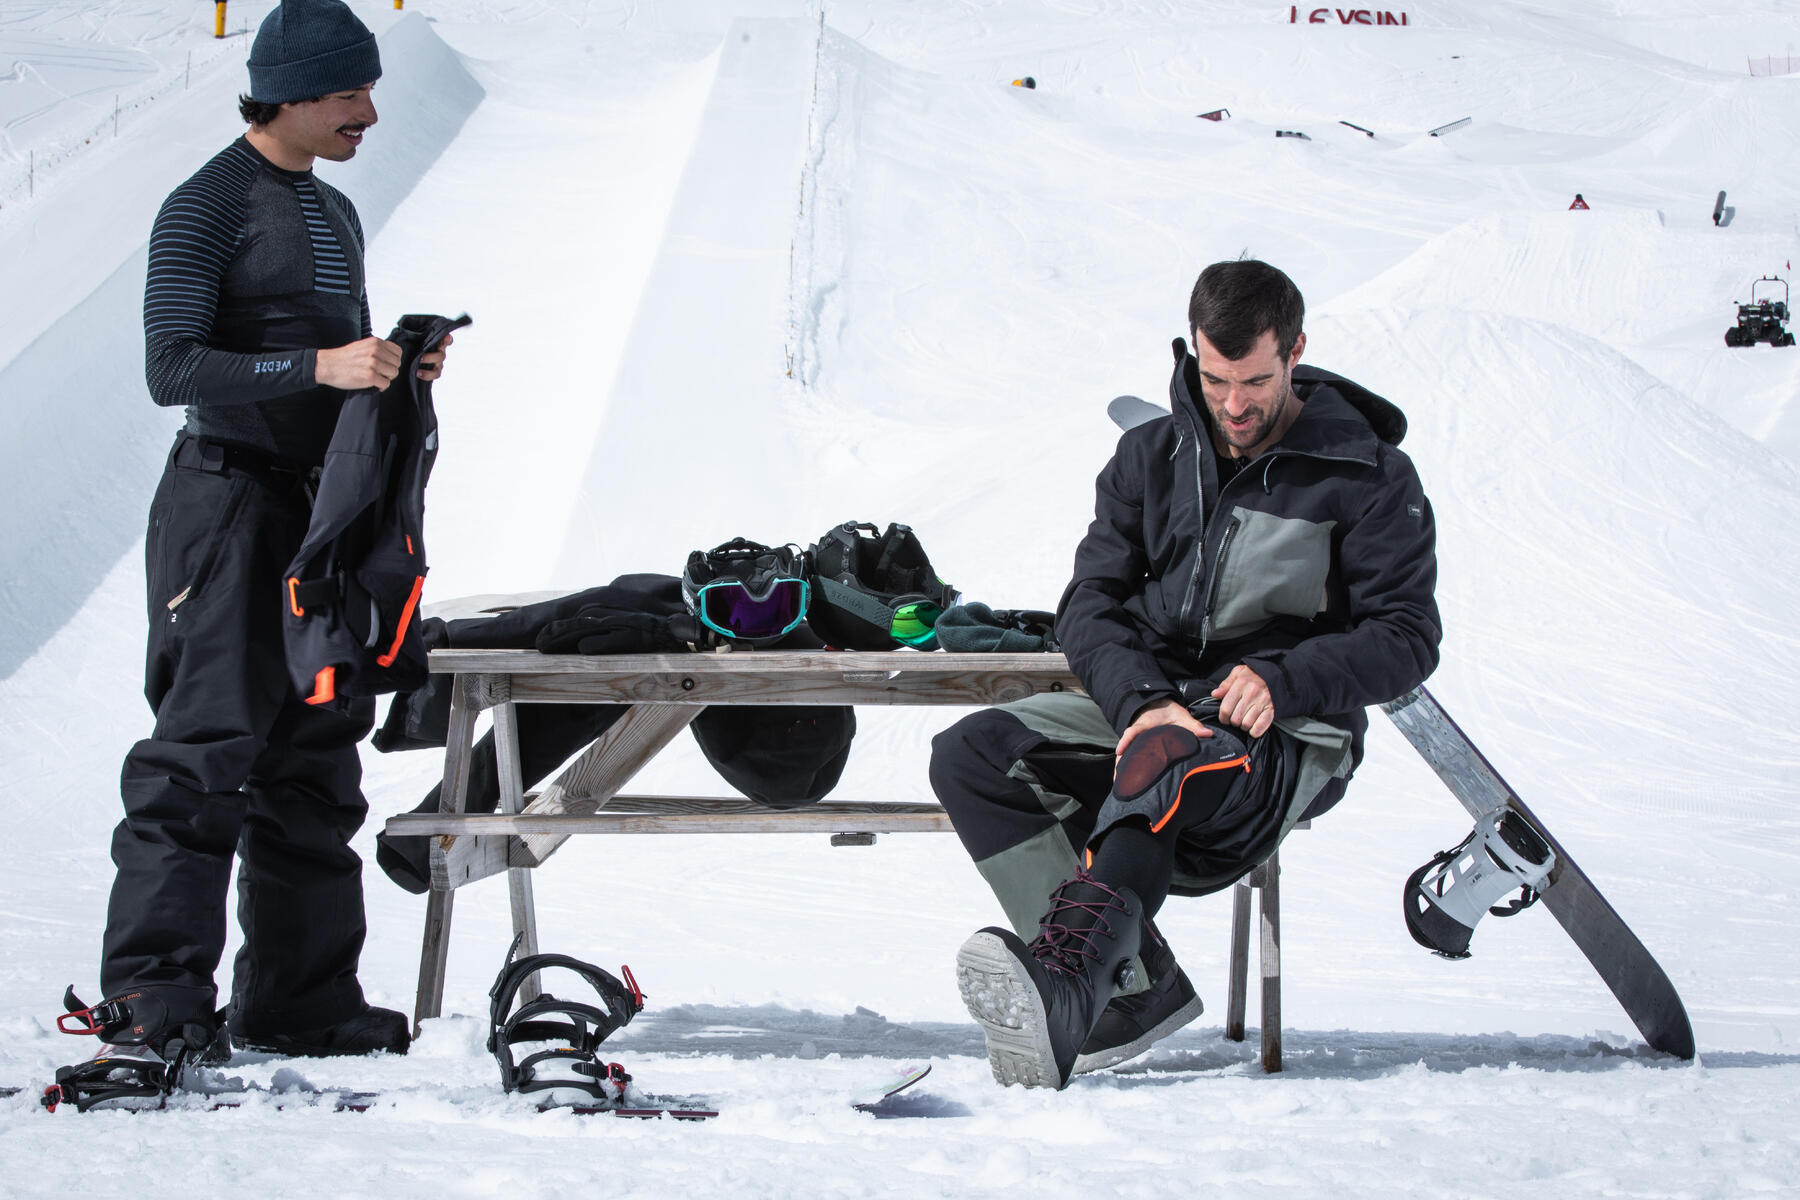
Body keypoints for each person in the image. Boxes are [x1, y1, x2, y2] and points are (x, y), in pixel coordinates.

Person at [931, 259, 1440, 1089]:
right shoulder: (1149, 457)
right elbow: (1089, 602)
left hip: (1284, 735)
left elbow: (1410, 635)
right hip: (1159, 709)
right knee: (970, 755)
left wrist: (1287, 679)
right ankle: (1131, 991)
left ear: (1297, 351)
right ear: (1191, 354)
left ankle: (1070, 996)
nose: (1235, 404)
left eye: (1256, 381)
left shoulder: (1368, 477)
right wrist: (1142, 700)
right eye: (1214, 379)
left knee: (1162, 761)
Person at [64, 0, 451, 1085]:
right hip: (224, 510)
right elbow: (171, 369)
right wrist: (319, 370)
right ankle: (152, 1006)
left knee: (315, 758)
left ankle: (301, 1000)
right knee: (202, 756)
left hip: (316, 518)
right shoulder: (207, 206)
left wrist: (389, 374)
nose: (369, 113)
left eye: (369, 92)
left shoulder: (332, 213)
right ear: (288, 93)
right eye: (348, 94)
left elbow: (325, 357)